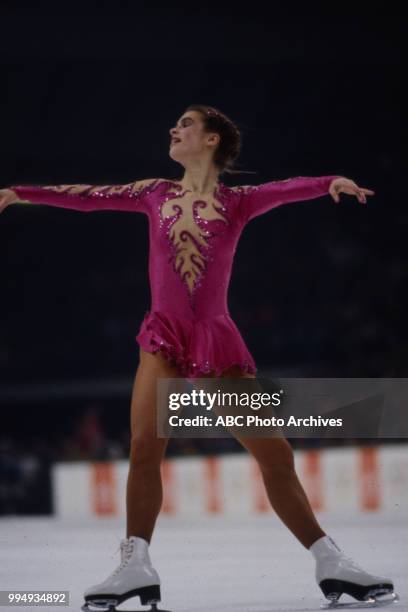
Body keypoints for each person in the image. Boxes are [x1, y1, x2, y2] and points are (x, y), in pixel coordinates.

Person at [0, 105, 397, 611]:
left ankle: (330, 560)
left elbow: (289, 187)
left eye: (186, 124)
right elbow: (89, 198)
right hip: (163, 335)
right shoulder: (153, 193)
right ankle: (135, 565)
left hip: (214, 339)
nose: (174, 128)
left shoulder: (239, 202)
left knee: (274, 454)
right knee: (145, 447)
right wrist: (22, 192)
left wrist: (330, 182)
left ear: (212, 139)